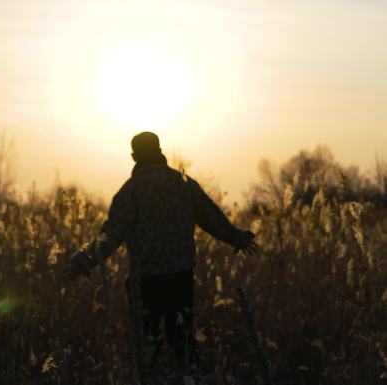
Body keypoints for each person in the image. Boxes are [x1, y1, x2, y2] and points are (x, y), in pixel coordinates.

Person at [63, 131, 258, 371]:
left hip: (146, 283)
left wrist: (86, 259)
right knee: (184, 346)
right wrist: (237, 237)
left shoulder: (130, 191)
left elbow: (111, 233)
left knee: (148, 351)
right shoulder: (183, 184)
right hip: (180, 279)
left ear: (134, 156)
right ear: (159, 150)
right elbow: (212, 218)